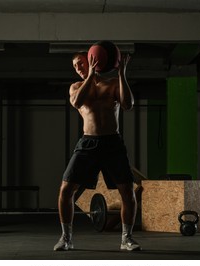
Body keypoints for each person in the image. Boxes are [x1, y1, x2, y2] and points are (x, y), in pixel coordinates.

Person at [53, 50, 140, 251]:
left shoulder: (111, 85)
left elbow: (128, 104)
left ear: (93, 60)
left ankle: (126, 239)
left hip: (112, 143)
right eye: (75, 66)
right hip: (88, 144)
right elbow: (76, 102)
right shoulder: (76, 87)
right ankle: (66, 238)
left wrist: (121, 75)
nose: (78, 68)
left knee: (127, 192)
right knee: (66, 190)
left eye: (81, 63)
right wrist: (90, 75)